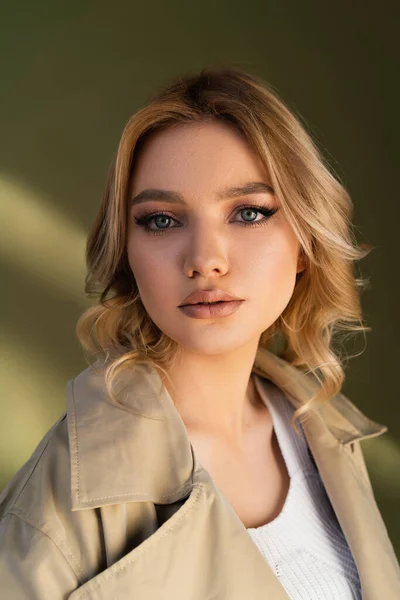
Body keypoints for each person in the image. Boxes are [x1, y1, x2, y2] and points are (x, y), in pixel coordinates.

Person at [1, 64, 399, 599]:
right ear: (126, 252)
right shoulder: (55, 509)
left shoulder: (324, 432)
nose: (205, 259)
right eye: (162, 220)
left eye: (249, 213)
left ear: (305, 241)